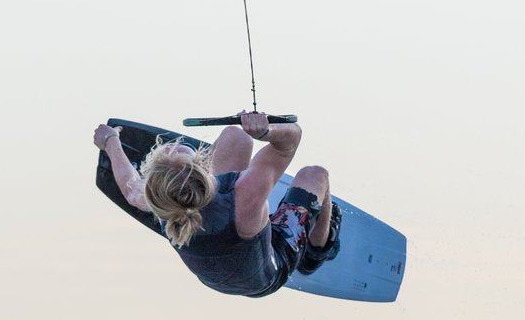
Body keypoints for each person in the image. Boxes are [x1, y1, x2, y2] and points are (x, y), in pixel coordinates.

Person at [92, 111, 341, 299]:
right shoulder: (245, 193)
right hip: (265, 274)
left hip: (212, 276)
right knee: (316, 175)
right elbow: (291, 140)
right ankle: (317, 251)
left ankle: (275, 235)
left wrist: (111, 141)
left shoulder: (164, 204)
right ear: (201, 168)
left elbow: (129, 187)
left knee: (236, 137)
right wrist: (266, 131)